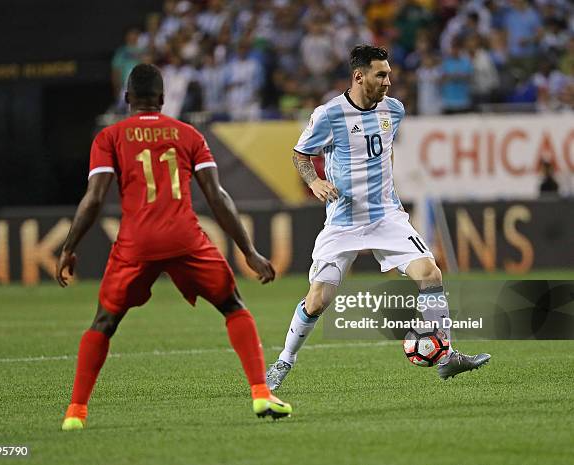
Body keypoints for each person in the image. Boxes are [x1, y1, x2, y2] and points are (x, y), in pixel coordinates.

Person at [56, 64, 292, 431]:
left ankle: (75, 413)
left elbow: (94, 198)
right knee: (232, 306)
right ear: (163, 100)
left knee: (104, 321)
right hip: (185, 238)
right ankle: (261, 392)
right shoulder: (188, 134)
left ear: (127, 99)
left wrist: (69, 247)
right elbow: (217, 196)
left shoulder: (110, 136)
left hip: (136, 242)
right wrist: (248, 251)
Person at [266, 45, 490, 390]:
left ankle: (446, 355)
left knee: (430, 273)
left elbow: (385, 151)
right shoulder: (329, 115)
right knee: (318, 300)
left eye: (389, 73)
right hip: (343, 221)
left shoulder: (394, 110)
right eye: (381, 74)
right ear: (360, 76)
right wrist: (314, 181)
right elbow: (300, 155)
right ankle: (284, 360)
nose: (389, 81)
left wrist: (388, 191)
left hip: (386, 216)